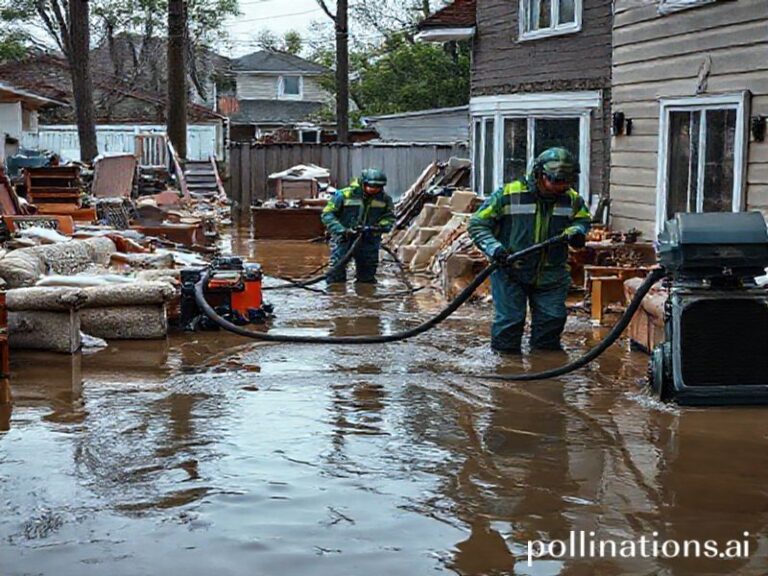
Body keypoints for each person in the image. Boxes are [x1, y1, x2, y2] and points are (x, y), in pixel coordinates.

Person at [468, 147, 591, 353]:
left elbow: (582, 220)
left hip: (551, 272)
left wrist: (576, 231)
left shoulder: (572, 199)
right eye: (556, 180)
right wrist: (494, 248)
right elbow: (478, 224)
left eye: (567, 181)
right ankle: (506, 367)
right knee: (510, 323)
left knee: (552, 321)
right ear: (539, 174)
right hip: (511, 270)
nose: (561, 186)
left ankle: (545, 366)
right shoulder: (510, 194)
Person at [321, 168, 396, 284]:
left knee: (367, 273)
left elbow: (389, 217)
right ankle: (336, 293)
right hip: (344, 239)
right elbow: (327, 214)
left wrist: (378, 227)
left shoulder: (385, 199)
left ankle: (365, 293)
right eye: (371, 186)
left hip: (369, 240)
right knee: (336, 271)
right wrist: (341, 230)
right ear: (363, 183)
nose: (374, 189)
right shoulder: (344, 195)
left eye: (378, 187)